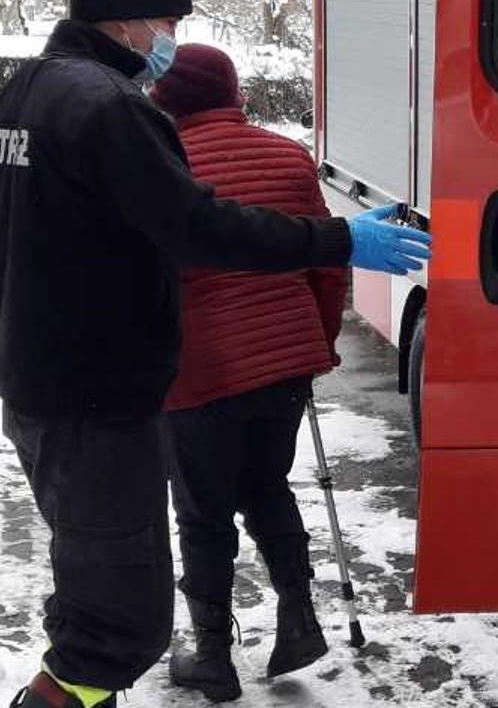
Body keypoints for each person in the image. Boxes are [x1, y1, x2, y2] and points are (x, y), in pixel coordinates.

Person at [0, 0, 431, 708]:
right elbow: (200, 229)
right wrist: (342, 239)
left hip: (41, 389)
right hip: (98, 402)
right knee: (122, 625)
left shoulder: (25, 92)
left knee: (92, 591)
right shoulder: (110, 107)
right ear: (124, 21)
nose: (168, 40)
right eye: (165, 20)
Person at [144, 44, 349, 702]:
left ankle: (213, 657)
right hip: (284, 363)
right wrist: (317, 340)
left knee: (203, 514)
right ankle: (299, 618)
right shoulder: (288, 154)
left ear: (163, 97)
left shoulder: (158, 166)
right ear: (232, 91)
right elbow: (326, 263)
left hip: (197, 372)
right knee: (265, 486)